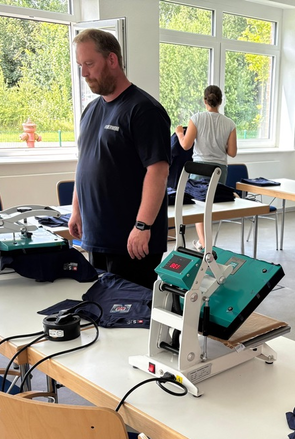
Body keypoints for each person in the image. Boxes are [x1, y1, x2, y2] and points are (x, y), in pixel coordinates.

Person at [69, 29, 171, 290]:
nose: (83, 74)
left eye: (89, 64)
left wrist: (142, 226)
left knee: (131, 316)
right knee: (103, 311)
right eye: (80, 65)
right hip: (97, 236)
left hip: (132, 241)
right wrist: (76, 210)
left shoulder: (144, 110)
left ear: (112, 60)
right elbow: (85, 164)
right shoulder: (91, 111)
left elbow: (157, 173)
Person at [174, 85, 237, 248]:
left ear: (205, 100)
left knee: (198, 208)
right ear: (220, 101)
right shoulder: (229, 124)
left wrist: (180, 132)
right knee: (210, 207)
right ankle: (204, 244)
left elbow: (186, 145)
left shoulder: (196, 118)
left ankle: (205, 244)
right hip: (220, 170)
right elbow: (232, 152)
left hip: (200, 169)